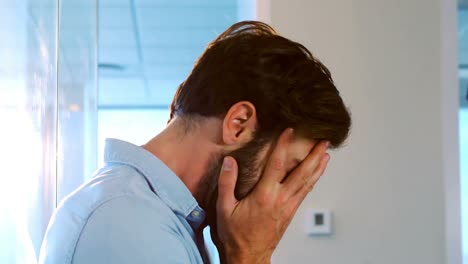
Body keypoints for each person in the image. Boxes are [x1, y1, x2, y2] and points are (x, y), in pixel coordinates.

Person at [39, 21, 351, 264]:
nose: (281, 198)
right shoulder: (129, 226)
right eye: (288, 169)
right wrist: (251, 256)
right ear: (238, 124)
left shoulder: (157, 219)